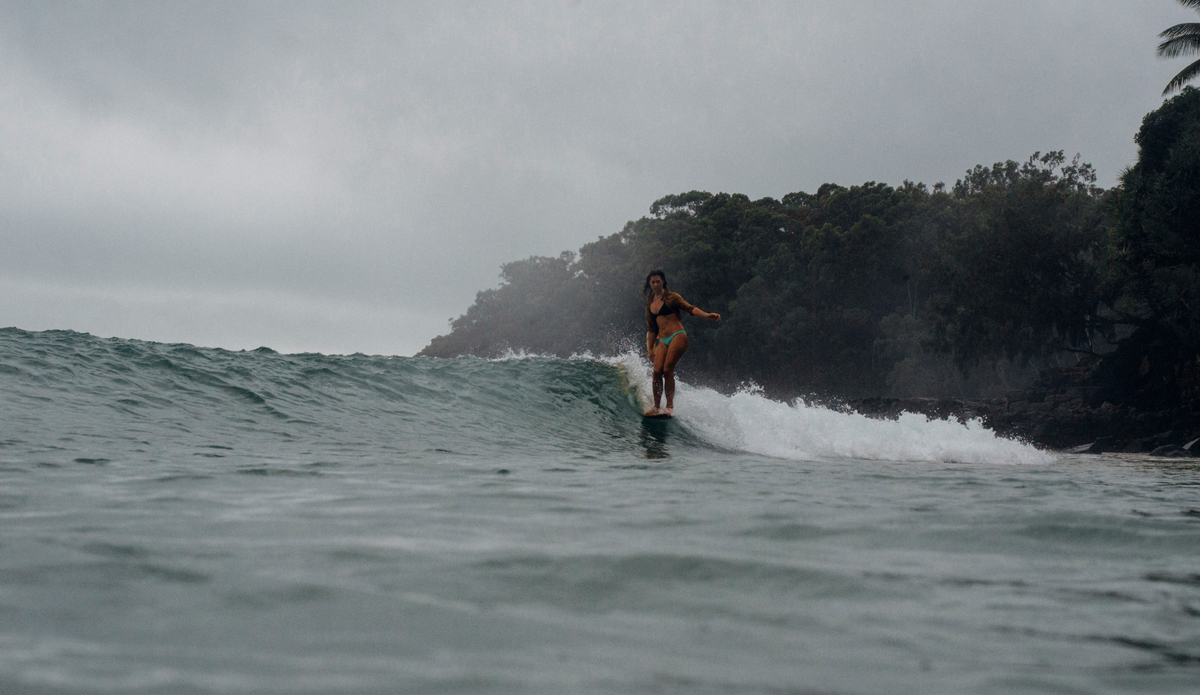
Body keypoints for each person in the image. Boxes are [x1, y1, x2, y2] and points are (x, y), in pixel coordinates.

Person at [643, 270, 720, 415]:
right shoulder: (649, 303)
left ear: (663, 282)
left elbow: (690, 309)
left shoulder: (672, 297)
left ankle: (669, 407)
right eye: (652, 282)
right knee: (656, 372)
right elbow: (652, 328)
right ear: (649, 284)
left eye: (658, 281)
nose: (655, 284)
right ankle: (656, 406)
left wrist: (706, 315)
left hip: (678, 336)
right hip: (662, 339)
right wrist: (650, 349)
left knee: (667, 370)